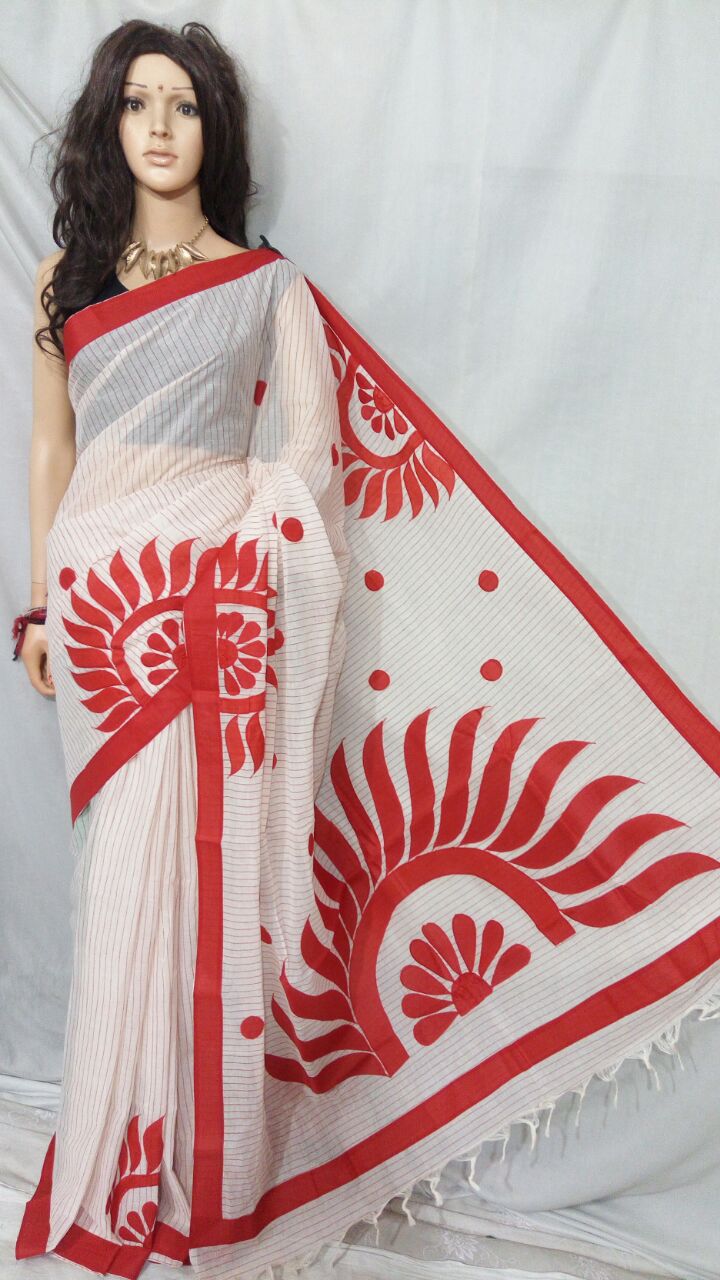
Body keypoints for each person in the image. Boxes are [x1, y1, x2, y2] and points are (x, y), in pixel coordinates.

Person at [12, 18, 720, 1280]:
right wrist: (39, 609)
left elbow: (310, 458)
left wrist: (243, 552)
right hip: (105, 622)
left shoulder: (263, 285)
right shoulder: (67, 280)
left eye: (184, 105)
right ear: (109, 124)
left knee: (206, 893)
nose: (161, 126)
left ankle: (200, 1168)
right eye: (137, 103)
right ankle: (117, 1141)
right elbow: (52, 450)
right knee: (120, 873)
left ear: (216, 130)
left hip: (214, 613)